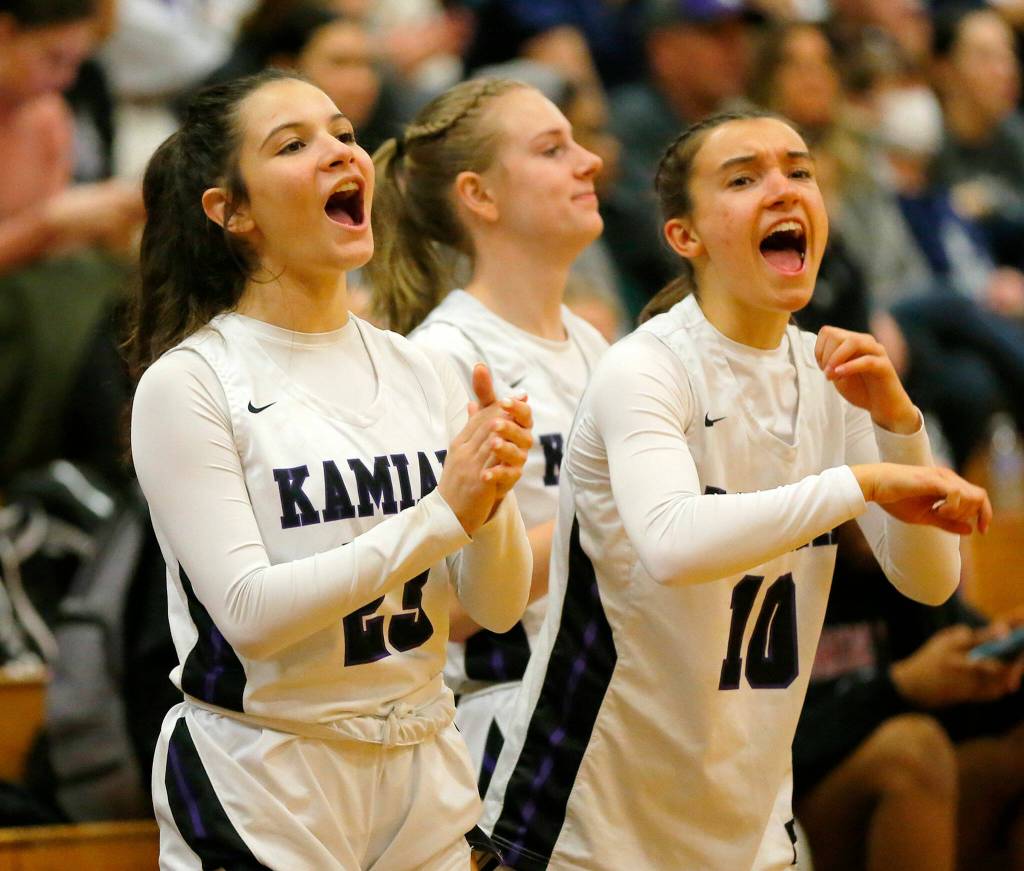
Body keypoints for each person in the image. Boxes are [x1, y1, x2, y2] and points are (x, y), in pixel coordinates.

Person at [480, 109, 992, 870]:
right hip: (591, 816)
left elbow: (928, 579)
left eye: (799, 170)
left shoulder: (831, 375)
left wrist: (898, 422)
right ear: (685, 236)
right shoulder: (645, 368)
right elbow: (674, 542)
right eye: (745, 177)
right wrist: (861, 480)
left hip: (746, 817)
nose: (783, 190)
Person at [126, 69, 533, 869]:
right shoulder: (191, 382)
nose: (338, 154)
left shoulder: (424, 369)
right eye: (293, 144)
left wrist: (493, 499)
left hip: (423, 758)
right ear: (230, 210)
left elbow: (497, 601)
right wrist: (445, 513)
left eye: (345, 134)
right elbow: (248, 611)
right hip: (267, 774)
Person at [368, 76, 608, 794]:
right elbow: (445, 602)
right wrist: (626, 510)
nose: (589, 161)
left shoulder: (595, 347)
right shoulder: (443, 358)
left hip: (606, 705)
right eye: (552, 149)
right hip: (512, 728)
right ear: (480, 195)